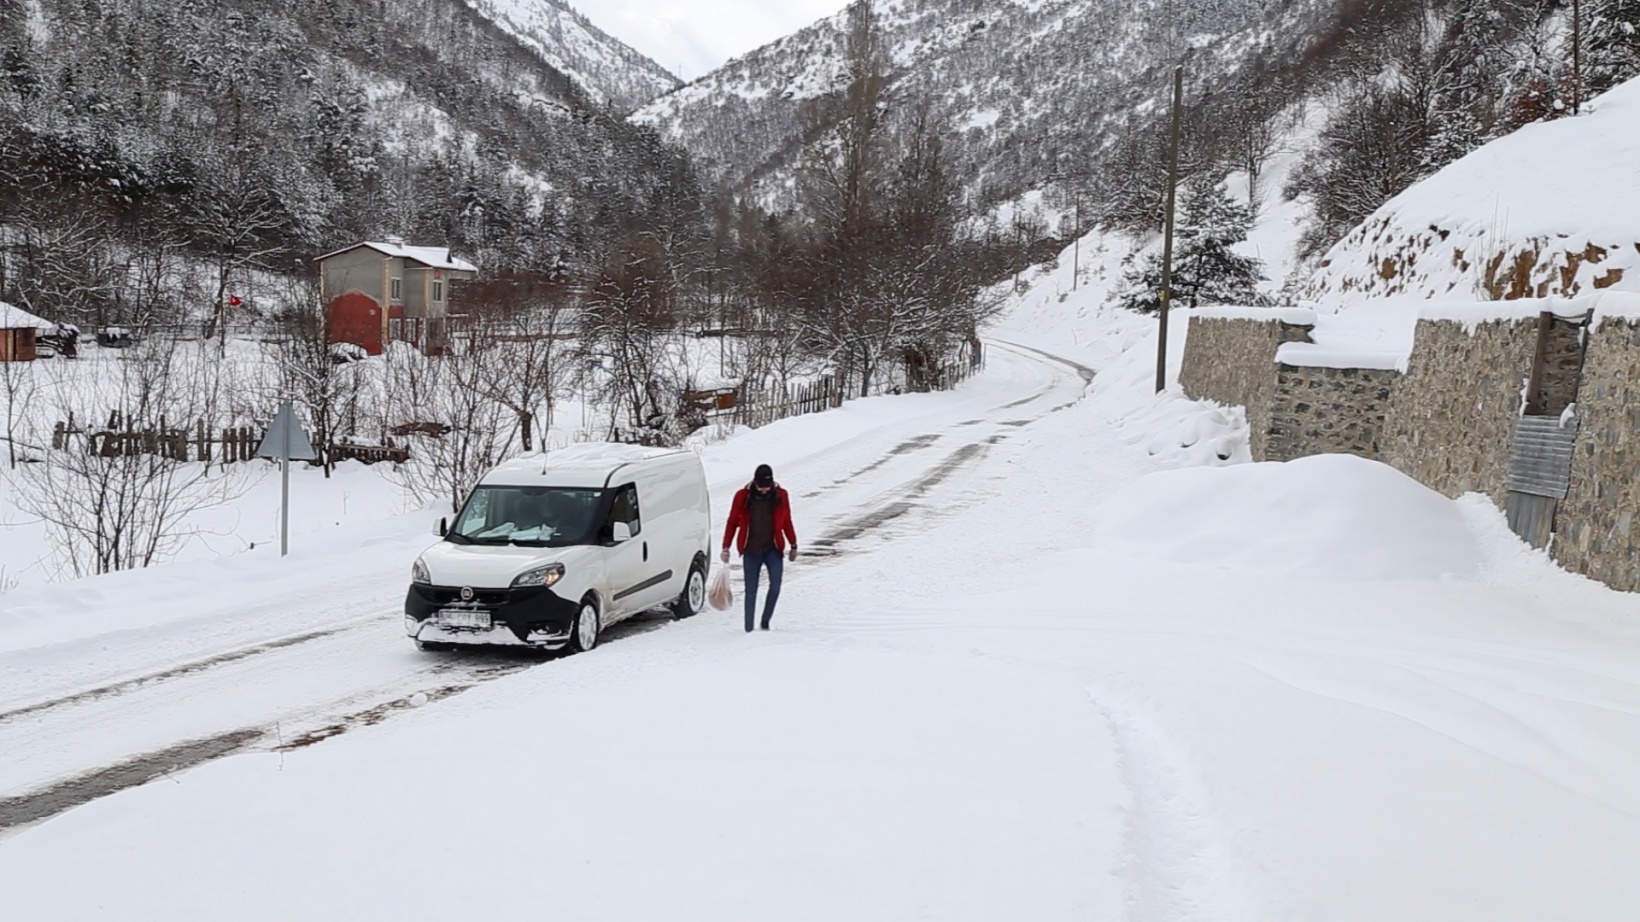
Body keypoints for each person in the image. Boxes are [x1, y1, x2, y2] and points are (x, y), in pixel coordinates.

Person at [721, 463, 798, 632]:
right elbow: (732, 522)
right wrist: (726, 547)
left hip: (773, 549)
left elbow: (787, 520)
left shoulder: (781, 495)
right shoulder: (743, 496)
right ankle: (748, 629)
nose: (764, 490)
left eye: (767, 487)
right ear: (755, 483)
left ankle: (765, 622)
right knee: (751, 591)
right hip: (751, 550)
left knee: (776, 586)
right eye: (760, 487)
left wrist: (793, 544)